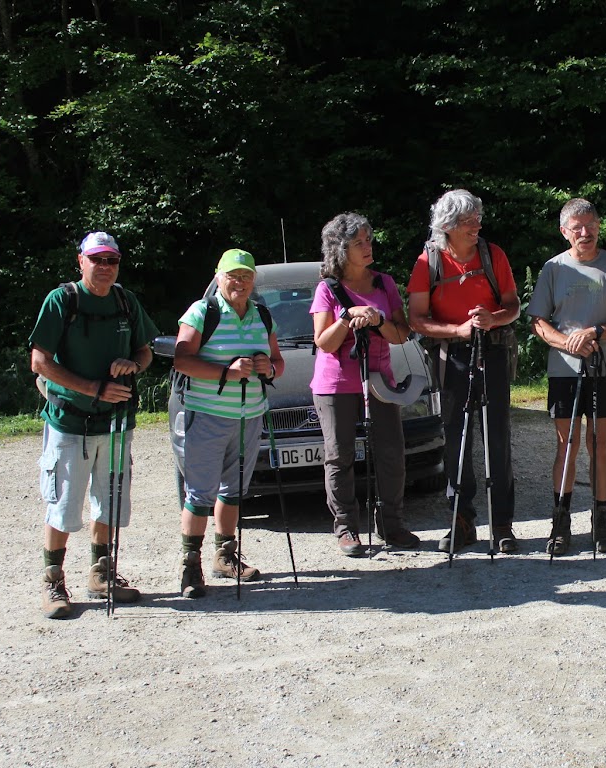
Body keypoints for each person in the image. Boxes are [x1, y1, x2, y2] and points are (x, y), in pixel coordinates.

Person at [29, 231, 159, 618]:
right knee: (64, 504)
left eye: (112, 260)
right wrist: (92, 388)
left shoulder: (124, 300)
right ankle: (53, 581)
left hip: (117, 422)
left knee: (111, 499)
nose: (105, 267)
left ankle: (102, 572)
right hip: (69, 421)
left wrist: (132, 364)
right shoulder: (62, 300)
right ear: (80, 260)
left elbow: (145, 350)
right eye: (97, 259)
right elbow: (40, 362)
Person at [407, 189, 520, 554]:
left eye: (477, 218)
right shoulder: (429, 262)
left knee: (497, 437)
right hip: (453, 355)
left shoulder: (493, 255)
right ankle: (462, 520)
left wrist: (492, 319)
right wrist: (456, 331)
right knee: (456, 438)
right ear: (449, 225)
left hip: (494, 350)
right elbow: (417, 319)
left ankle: (502, 524)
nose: (477, 225)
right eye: (469, 221)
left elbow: (514, 306)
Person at [529, 198, 606, 555]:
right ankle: (560, 524)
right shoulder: (553, 268)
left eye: (590, 225)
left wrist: (594, 332)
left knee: (599, 444)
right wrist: (567, 343)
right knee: (567, 444)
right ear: (564, 232)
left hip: (605, 368)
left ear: (598, 226)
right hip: (564, 370)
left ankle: (601, 521)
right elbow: (537, 321)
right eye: (576, 227)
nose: (584, 232)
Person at [173, 249, 285, 598]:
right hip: (207, 415)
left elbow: (278, 362)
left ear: (254, 281)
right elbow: (181, 360)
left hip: (249, 416)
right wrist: (227, 372)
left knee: (234, 489)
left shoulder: (262, 316)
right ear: (218, 276)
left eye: (246, 276)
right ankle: (190, 567)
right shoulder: (202, 311)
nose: (240, 282)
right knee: (200, 494)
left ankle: (225, 554)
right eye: (233, 275)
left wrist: (268, 367)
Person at [311, 212, 420, 556]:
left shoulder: (384, 284)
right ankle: (346, 529)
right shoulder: (327, 289)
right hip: (335, 383)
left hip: (380, 380)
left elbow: (403, 334)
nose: (367, 246)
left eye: (368, 239)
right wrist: (347, 318)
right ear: (341, 249)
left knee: (391, 453)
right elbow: (324, 342)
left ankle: (391, 524)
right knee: (340, 456)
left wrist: (378, 320)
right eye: (359, 242)